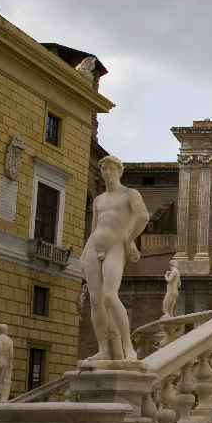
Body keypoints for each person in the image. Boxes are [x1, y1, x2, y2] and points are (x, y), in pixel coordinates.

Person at [81, 156, 149, 364]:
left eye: (111, 168)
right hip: (94, 247)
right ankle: (103, 349)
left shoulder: (130, 194)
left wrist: (129, 239)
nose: (107, 172)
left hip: (115, 246)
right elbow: (94, 228)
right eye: (103, 169)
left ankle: (129, 348)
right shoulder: (98, 200)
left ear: (119, 171)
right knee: (95, 300)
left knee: (110, 295)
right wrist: (84, 252)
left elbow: (143, 217)